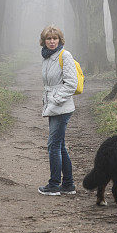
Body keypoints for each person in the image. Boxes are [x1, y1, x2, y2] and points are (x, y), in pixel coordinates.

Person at [38, 25, 78, 196]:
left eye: (55, 38)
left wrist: (55, 100)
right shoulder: (47, 57)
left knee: (53, 145)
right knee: (59, 145)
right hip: (52, 106)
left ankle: (54, 184)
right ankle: (68, 184)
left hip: (62, 107)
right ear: (44, 41)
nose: (52, 41)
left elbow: (71, 84)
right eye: (49, 39)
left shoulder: (65, 55)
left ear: (60, 40)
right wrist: (49, 101)